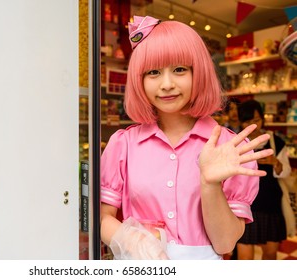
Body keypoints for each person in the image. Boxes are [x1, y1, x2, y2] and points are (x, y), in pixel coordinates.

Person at [100, 16, 274, 260]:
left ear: (198, 72)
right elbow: (101, 217)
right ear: (139, 79)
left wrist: (210, 183)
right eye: (153, 72)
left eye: (180, 69)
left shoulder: (229, 148)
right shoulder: (123, 145)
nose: (167, 84)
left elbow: (225, 244)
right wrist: (132, 240)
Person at [236, 100, 291, 260]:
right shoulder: (235, 142)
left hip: (270, 204)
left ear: (263, 119)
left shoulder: (276, 141)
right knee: (244, 258)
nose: (253, 125)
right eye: (247, 121)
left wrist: (275, 162)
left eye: (257, 120)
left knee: (270, 254)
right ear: (240, 121)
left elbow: (286, 171)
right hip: (245, 206)